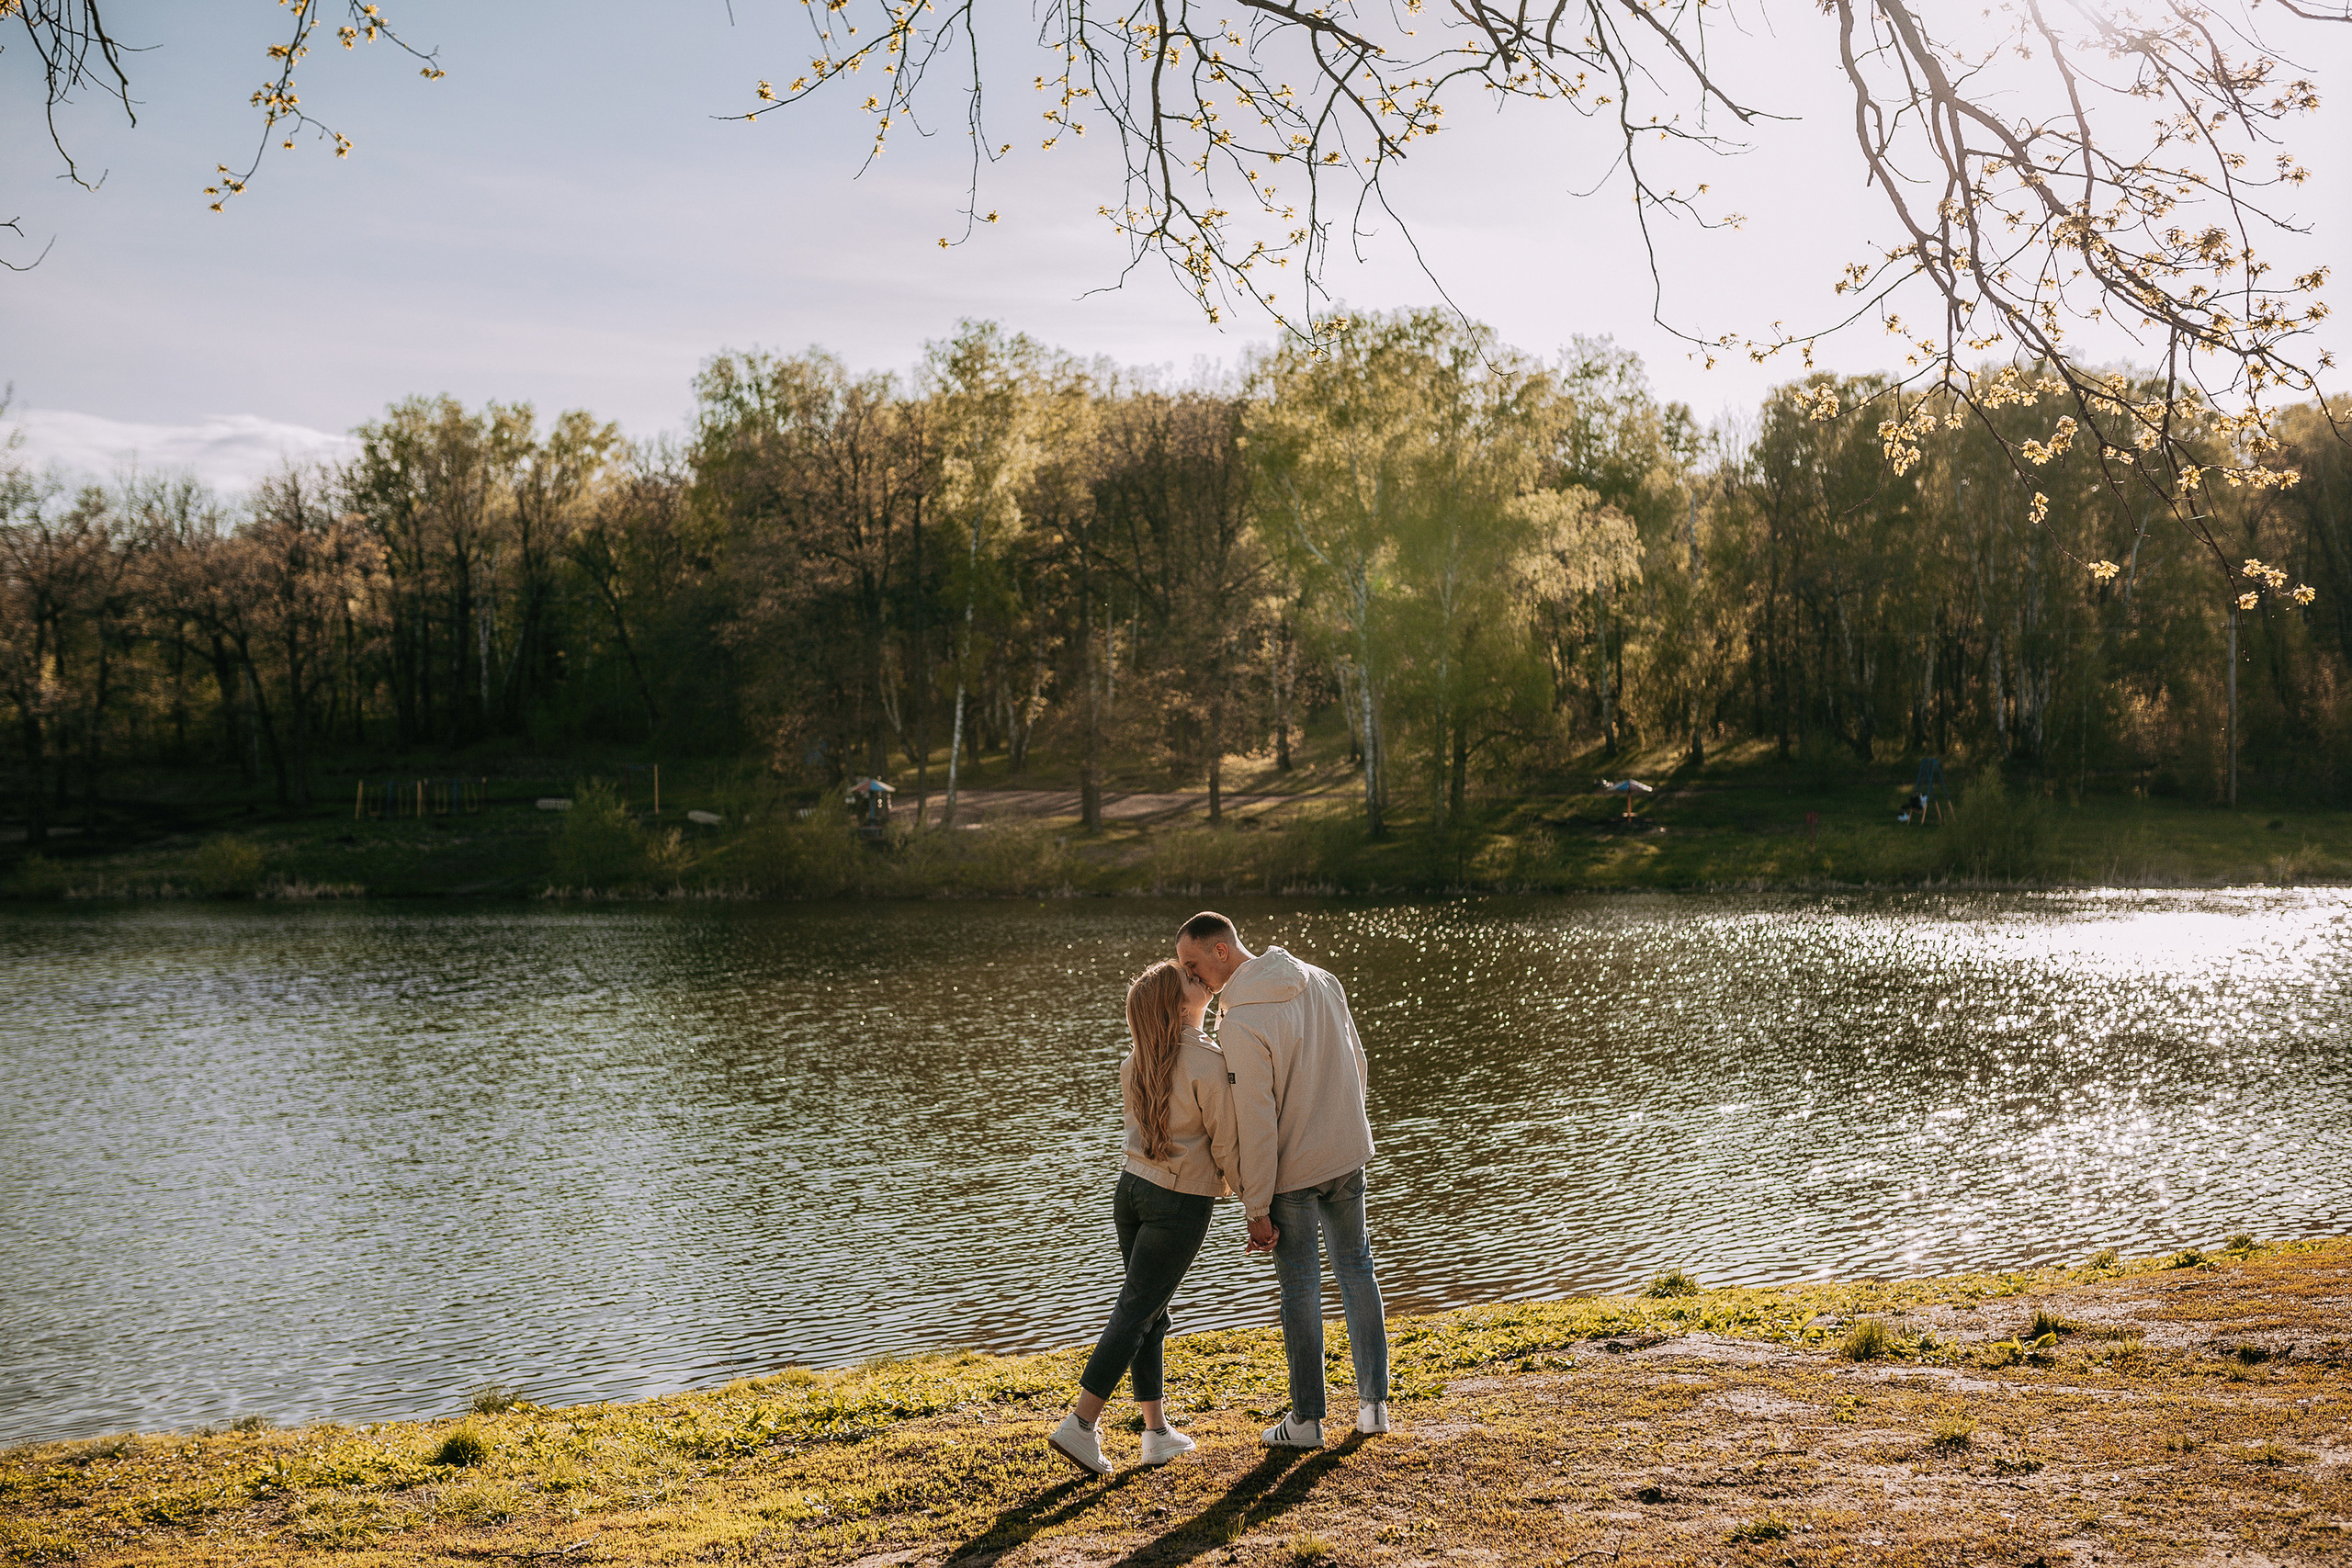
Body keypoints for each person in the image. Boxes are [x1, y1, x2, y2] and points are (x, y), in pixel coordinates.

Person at [1173, 910, 1390, 1450]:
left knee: (1300, 1287)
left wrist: (1256, 1204)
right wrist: (1348, 1132)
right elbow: (1357, 1063)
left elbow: (1257, 1119)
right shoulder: (1321, 979)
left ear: (1221, 951)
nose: (1190, 976)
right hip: (1346, 1156)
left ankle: (1308, 1420)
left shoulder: (1241, 1021)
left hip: (1293, 1173)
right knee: (1357, 1267)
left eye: (1192, 963)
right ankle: (1373, 1409)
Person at [1048, 961, 1239, 1475]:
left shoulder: (1138, 1058)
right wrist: (1256, 1203)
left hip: (1131, 1191)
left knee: (1149, 1310)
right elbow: (1227, 1143)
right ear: (1180, 1007)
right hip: (1177, 1203)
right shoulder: (1206, 1061)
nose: (1199, 980)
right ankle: (1081, 1425)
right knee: (1136, 1312)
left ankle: (1155, 1432)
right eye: (1191, 981)